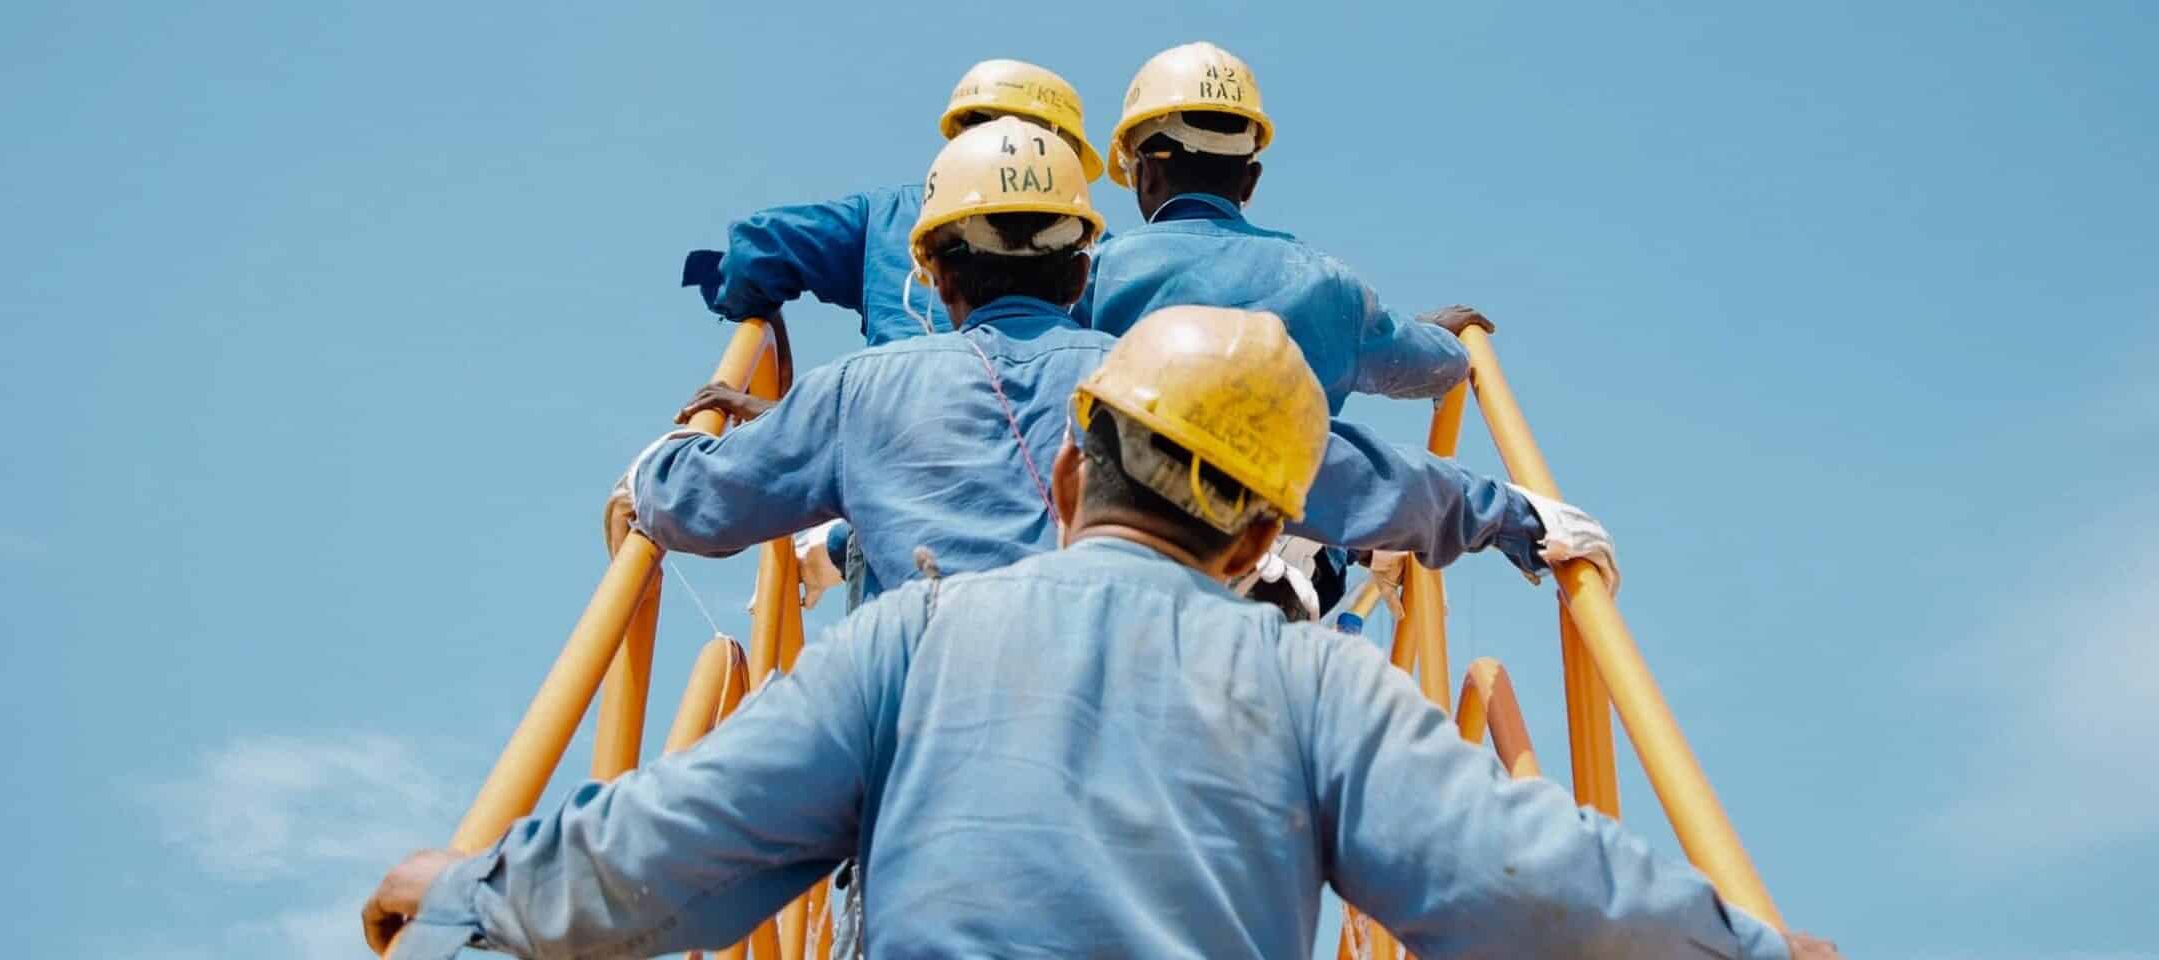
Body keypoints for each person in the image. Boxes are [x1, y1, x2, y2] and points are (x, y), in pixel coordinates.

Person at [364, 305, 1837, 960]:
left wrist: (467, 888)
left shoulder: (907, 639)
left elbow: (671, 853)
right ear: (1267, 539)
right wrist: (1751, 949)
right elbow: (1525, 885)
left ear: (1070, 473)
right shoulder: (1319, 679)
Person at [624, 118, 1612, 606]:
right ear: (1081, 259)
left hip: (923, 795)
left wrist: (675, 448)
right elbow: (1353, 469)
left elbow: (691, 504)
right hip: (1142, 771)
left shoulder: (858, 393)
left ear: (932, 265)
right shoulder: (1168, 382)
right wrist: (1514, 514)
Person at [1076, 42, 1502, 616]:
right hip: (1289, 550)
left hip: (1132, 554)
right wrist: (1441, 336)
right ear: (1249, 179)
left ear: (1143, 171)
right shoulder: (1327, 284)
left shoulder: (1098, 273)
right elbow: (1436, 367)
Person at [681, 58, 1107, 610]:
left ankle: (835, 546)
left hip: (892, 502)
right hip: (1055, 542)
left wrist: (752, 318)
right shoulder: (1082, 247)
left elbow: (760, 250)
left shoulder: (895, 217)